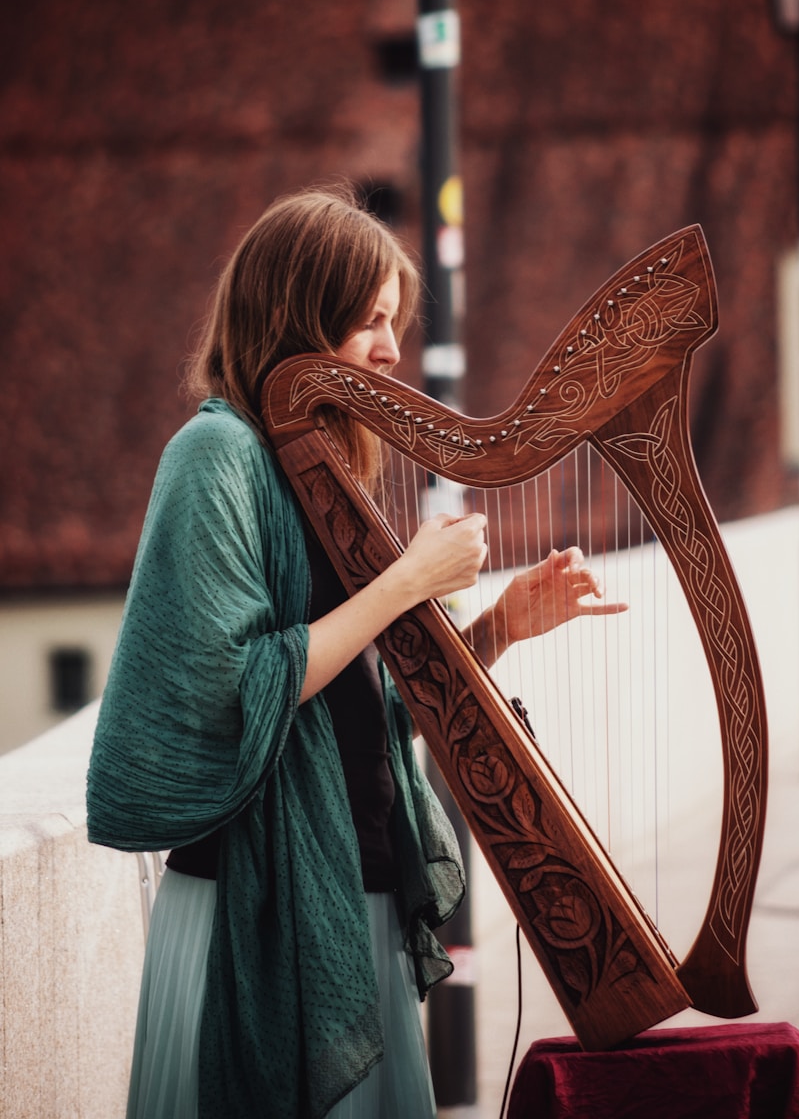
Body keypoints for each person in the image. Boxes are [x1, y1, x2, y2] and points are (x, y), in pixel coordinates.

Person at [86, 185, 623, 1119]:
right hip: (252, 911)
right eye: (368, 320)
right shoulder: (214, 456)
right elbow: (235, 691)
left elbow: (365, 703)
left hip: (353, 888)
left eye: (393, 321)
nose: (391, 350)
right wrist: (408, 583)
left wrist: (499, 625)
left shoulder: (324, 473)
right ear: (299, 313)